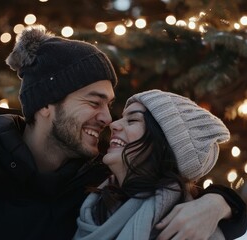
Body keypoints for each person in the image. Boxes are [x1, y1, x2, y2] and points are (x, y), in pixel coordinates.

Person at [0, 25, 247, 240]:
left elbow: (170, 178)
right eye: (94, 102)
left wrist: (219, 204)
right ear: (47, 104)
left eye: (109, 105)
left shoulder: (100, 179)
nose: (108, 118)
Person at [74, 89, 231, 240]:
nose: (113, 124)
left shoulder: (192, 229)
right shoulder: (90, 203)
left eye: (133, 120)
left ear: (163, 144)